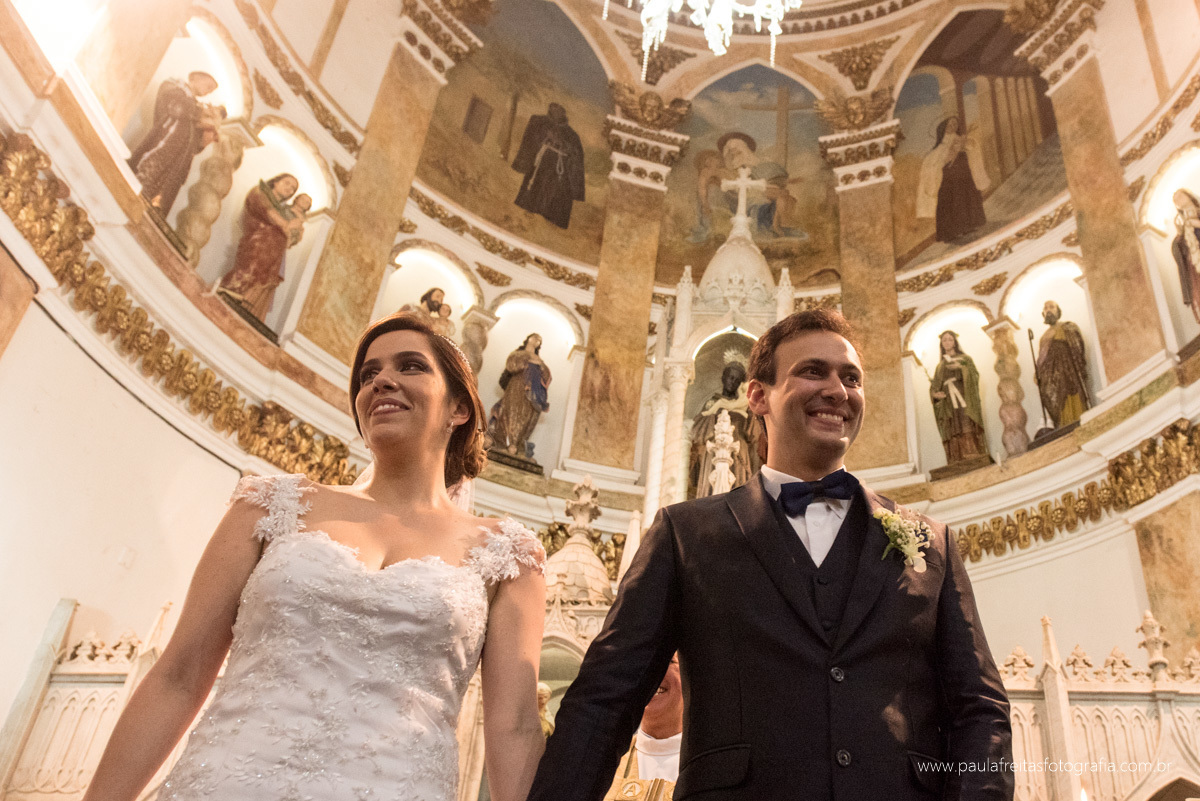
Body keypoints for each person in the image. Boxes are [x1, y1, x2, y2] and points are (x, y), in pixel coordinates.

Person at [527, 310, 1013, 801]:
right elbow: (605, 702)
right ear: (758, 395)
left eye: (851, 378)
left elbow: (979, 709)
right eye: (812, 371)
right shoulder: (685, 534)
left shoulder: (930, 542)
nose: (838, 390)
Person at [82, 312, 548, 801]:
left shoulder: (507, 554)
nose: (382, 380)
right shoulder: (268, 505)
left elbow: (514, 727)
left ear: (459, 409)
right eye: (369, 375)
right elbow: (179, 676)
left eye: (411, 366)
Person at [128, 71, 222, 215]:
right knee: (137, 188)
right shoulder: (172, 87)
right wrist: (203, 114)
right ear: (195, 78)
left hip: (175, 165)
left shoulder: (194, 107)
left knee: (153, 204)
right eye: (208, 86)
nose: (208, 92)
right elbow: (176, 108)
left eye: (211, 90)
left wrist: (206, 138)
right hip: (159, 150)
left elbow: (193, 146)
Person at [217, 174, 306, 321]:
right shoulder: (260, 192)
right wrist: (286, 226)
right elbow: (266, 211)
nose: (290, 189)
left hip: (273, 257)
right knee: (246, 273)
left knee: (261, 286)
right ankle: (228, 298)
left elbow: (292, 238)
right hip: (257, 243)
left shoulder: (284, 210)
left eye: (293, 189)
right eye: (287, 183)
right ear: (275, 182)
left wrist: (292, 230)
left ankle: (247, 311)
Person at [603, 655, 683, 801]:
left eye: (668, 661)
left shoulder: (712, 767)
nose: (650, 671)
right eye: (643, 660)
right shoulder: (603, 762)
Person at [688, 360, 758, 498]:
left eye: (737, 380)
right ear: (723, 378)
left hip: (738, 451)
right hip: (713, 450)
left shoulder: (746, 406)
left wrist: (751, 412)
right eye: (730, 377)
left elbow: (754, 435)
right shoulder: (713, 403)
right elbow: (697, 431)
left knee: (738, 485)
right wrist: (715, 415)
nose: (733, 381)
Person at [511, 102, 586, 229]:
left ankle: (547, 220)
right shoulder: (539, 122)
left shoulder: (572, 135)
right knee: (535, 189)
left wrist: (560, 143)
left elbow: (576, 155)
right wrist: (546, 139)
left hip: (558, 171)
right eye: (553, 110)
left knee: (552, 195)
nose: (556, 112)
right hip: (540, 163)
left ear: (563, 114)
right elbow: (531, 140)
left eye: (559, 111)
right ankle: (528, 213)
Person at [916, 117, 990, 243]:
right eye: (950, 124)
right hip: (949, 180)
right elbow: (935, 164)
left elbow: (973, 151)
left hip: (964, 176)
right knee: (951, 203)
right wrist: (950, 152)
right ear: (944, 127)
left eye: (955, 124)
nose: (953, 126)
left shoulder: (962, 139)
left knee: (966, 198)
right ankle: (950, 233)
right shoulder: (940, 148)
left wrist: (966, 144)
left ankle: (968, 226)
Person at [930, 330, 989, 465]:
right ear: (941, 344)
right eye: (944, 340)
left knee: (965, 421)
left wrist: (962, 368)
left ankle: (972, 452)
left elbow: (974, 376)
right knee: (952, 425)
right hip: (948, 401)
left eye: (950, 339)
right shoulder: (940, 366)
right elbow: (935, 386)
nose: (947, 342)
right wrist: (935, 394)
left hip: (963, 396)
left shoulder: (965, 359)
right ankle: (956, 458)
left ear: (955, 342)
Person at [488, 334, 551, 459]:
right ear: (528, 339)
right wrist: (528, 362)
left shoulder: (540, 360)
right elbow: (511, 365)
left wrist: (540, 368)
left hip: (533, 393)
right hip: (517, 385)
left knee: (526, 416)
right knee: (510, 411)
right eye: (534, 337)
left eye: (539, 340)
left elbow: (547, 376)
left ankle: (516, 444)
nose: (537, 340)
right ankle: (504, 443)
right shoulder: (518, 354)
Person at [1035, 300, 1090, 428]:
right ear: (1043, 313)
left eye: (1051, 307)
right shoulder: (1043, 337)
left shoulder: (1067, 327)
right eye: (1046, 308)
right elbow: (1042, 361)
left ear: (1058, 311)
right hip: (1053, 379)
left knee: (1074, 398)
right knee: (1057, 401)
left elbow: (1077, 347)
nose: (1048, 310)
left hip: (1069, 373)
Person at [1172, 188, 1200, 324]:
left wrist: (1196, 224)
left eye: (1179, 195)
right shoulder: (1182, 225)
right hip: (1195, 265)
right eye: (1175, 200)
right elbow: (1182, 251)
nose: (1177, 199)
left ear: (1188, 195)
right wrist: (1179, 239)